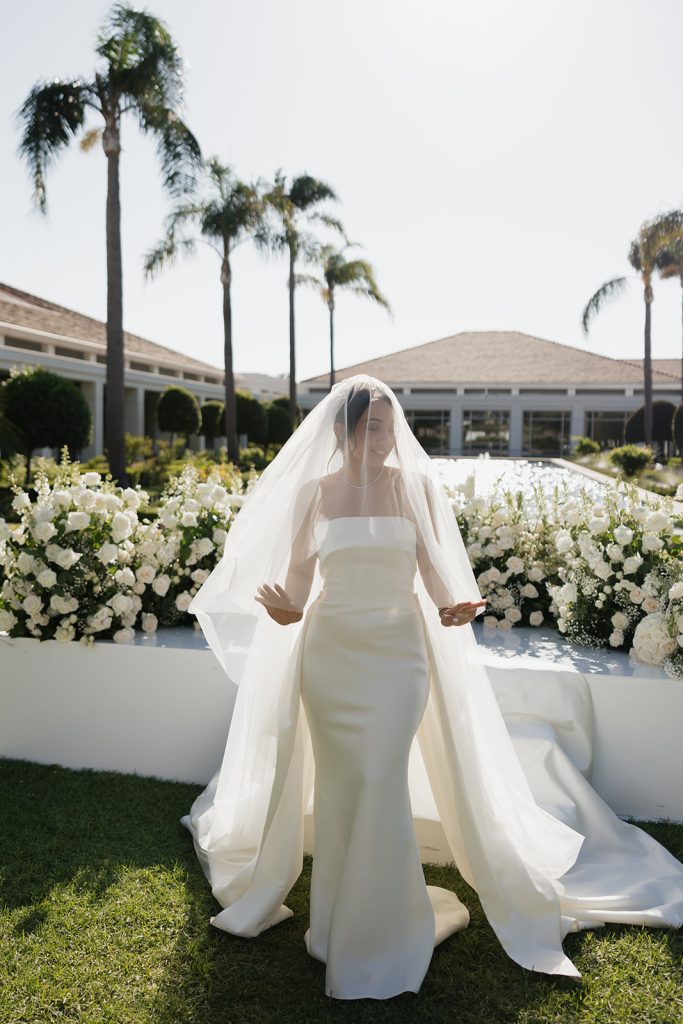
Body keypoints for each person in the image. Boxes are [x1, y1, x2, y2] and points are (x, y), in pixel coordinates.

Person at [181, 375, 683, 1000]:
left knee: (381, 775)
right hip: (332, 656)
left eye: (391, 425)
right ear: (345, 430)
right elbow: (299, 589)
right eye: (374, 425)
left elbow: (436, 576)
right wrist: (283, 608)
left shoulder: (415, 487)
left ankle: (384, 925)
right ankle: (338, 918)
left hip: (399, 656)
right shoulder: (314, 493)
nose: (387, 436)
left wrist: (457, 605)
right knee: (344, 784)